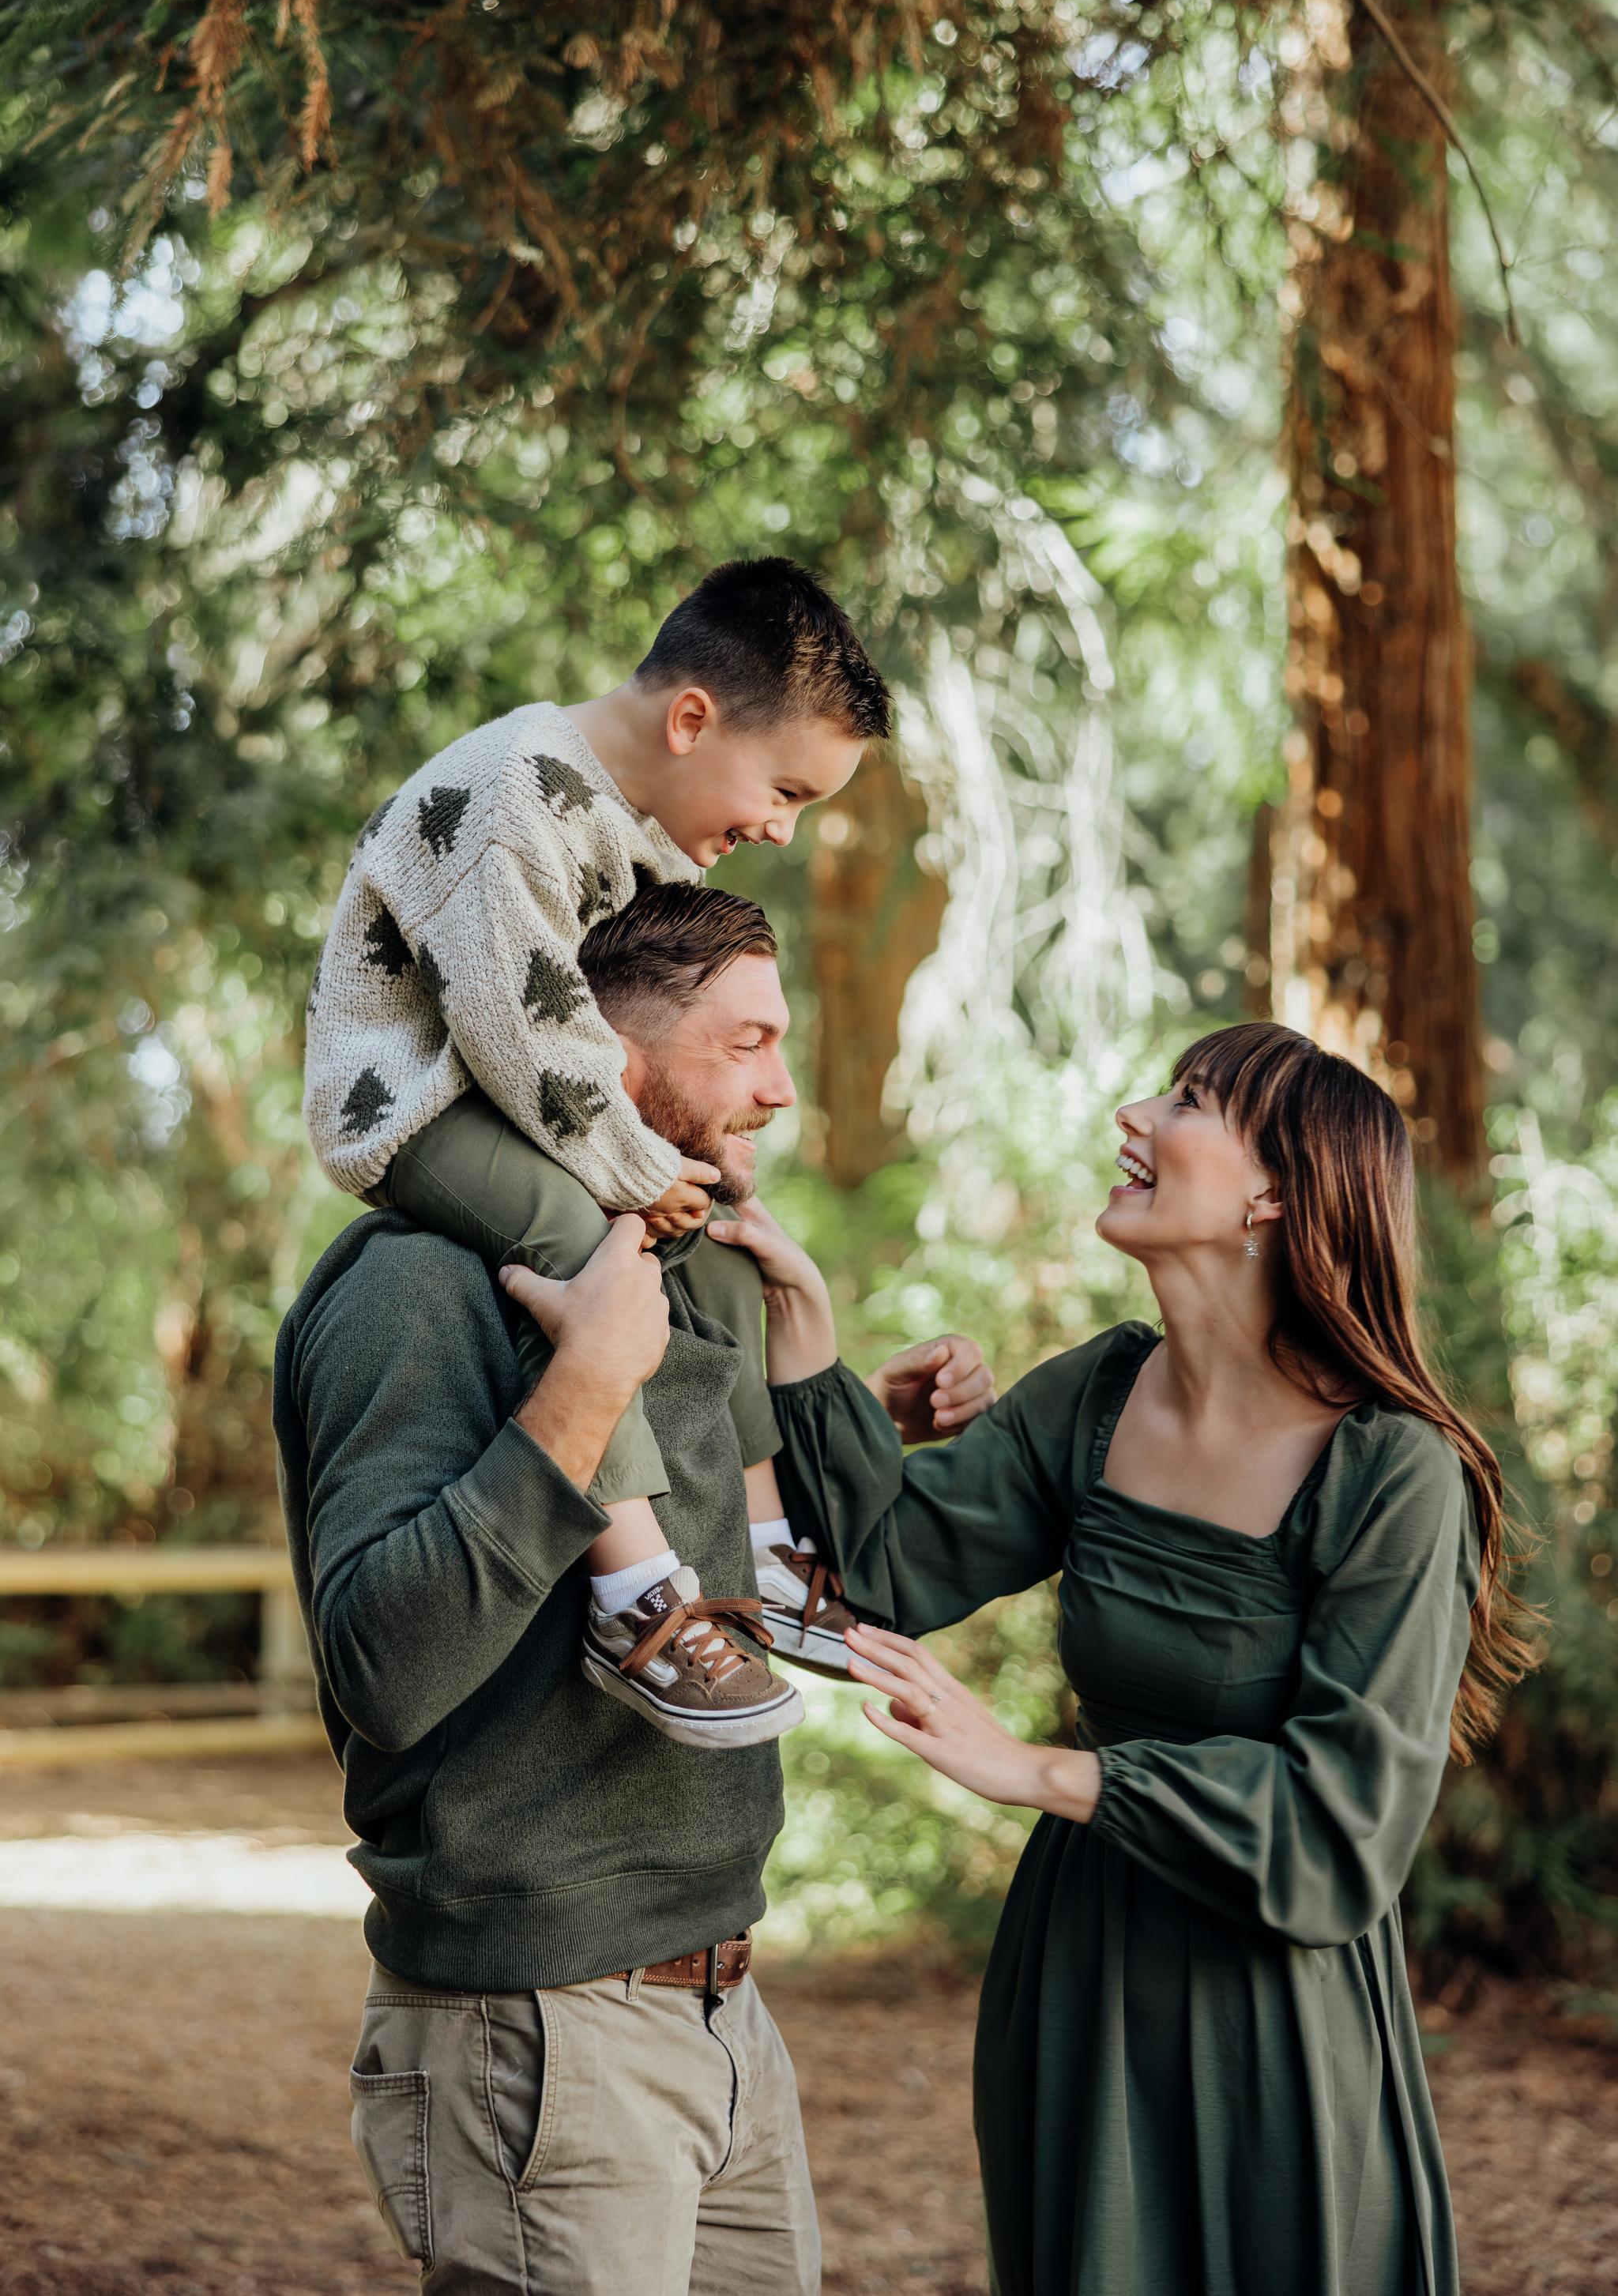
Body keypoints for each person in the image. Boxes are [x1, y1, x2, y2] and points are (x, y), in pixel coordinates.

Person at [721, 1020, 1537, 2296]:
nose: (1133, 1114)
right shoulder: (1099, 1395)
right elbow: (874, 1573)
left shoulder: (1394, 1473)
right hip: (1079, 1975)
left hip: (1272, 2008)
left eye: (1191, 1099)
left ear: (1276, 1188)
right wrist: (804, 1332)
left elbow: (1343, 1832)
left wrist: (1041, 1773)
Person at [274, 879, 993, 2295]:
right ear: (605, 1055)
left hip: (721, 2004)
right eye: (745, 1043)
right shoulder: (412, 1287)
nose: (783, 1086)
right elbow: (379, 1664)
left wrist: (853, 1395)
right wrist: (581, 1393)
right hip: (540, 2031)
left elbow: (767, 1567)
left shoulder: (670, 1274)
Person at [302, 559, 891, 1741]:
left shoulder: (644, 829)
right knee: (586, 1242)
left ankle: (769, 1549)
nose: (781, 827)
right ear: (691, 719)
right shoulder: (516, 793)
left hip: (522, 1102)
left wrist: (699, 1169)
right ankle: (633, 1591)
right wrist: (635, 1172)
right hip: (419, 1103)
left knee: (720, 1230)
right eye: (785, 788)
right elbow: (527, 1035)